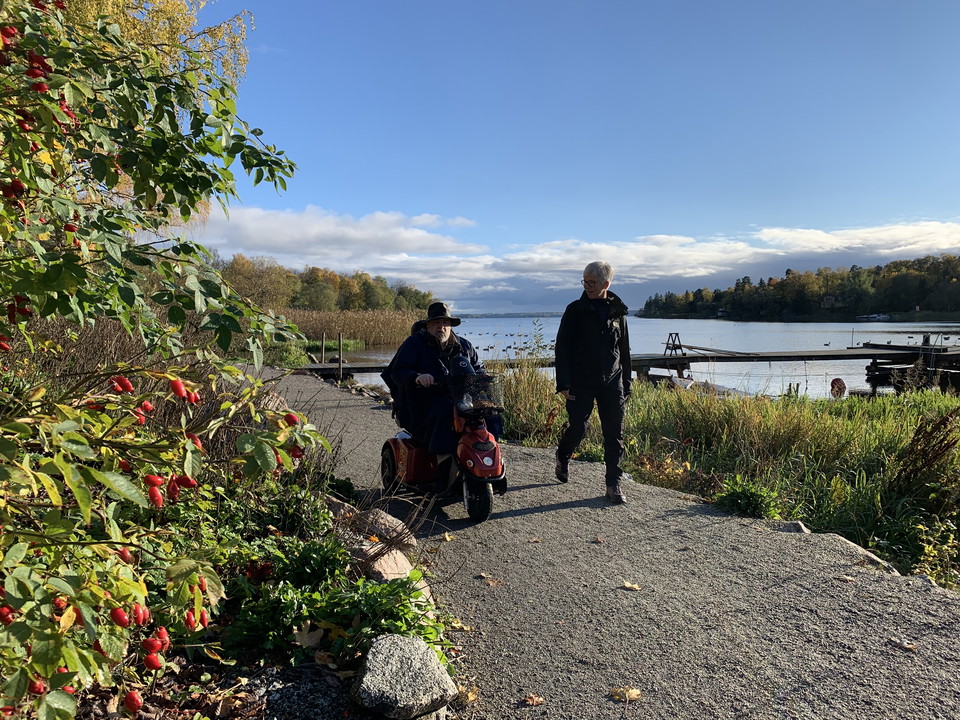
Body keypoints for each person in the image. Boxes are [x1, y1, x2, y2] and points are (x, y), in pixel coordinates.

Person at [385, 301, 487, 493]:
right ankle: (443, 473)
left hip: (460, 400)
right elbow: (397, 372)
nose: (441, 327)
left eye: (445, 323)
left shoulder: (464, 345)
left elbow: (479, 368)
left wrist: (482, 378)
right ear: (428, 325)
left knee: (489, 414)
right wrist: (416, 378)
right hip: (422, 401)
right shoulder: (414, 344)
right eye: (436, 323)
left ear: (450, 326)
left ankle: (485, 461)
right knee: (444, 412)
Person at [554, 261, 632, 504]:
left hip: (613, 380)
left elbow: (625, 350)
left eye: (592, 282)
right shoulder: (575, 309)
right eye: (585, 281)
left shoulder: (618, 312)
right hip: (580, 380)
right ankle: (563, 454)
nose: (587, 286)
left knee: (614, 432)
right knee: (579, 427)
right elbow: (562, 347)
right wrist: (564, 382)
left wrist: (627, 382)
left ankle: (613, 484)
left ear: (606, 284)